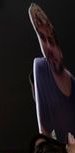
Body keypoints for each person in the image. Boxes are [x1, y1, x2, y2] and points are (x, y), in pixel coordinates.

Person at [29, 3, 75, 144]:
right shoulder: (41, 67)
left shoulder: (72, 80)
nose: (48, 47)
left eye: (52, 41)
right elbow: (44, 129)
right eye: (42, 38)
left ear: (60, 49)